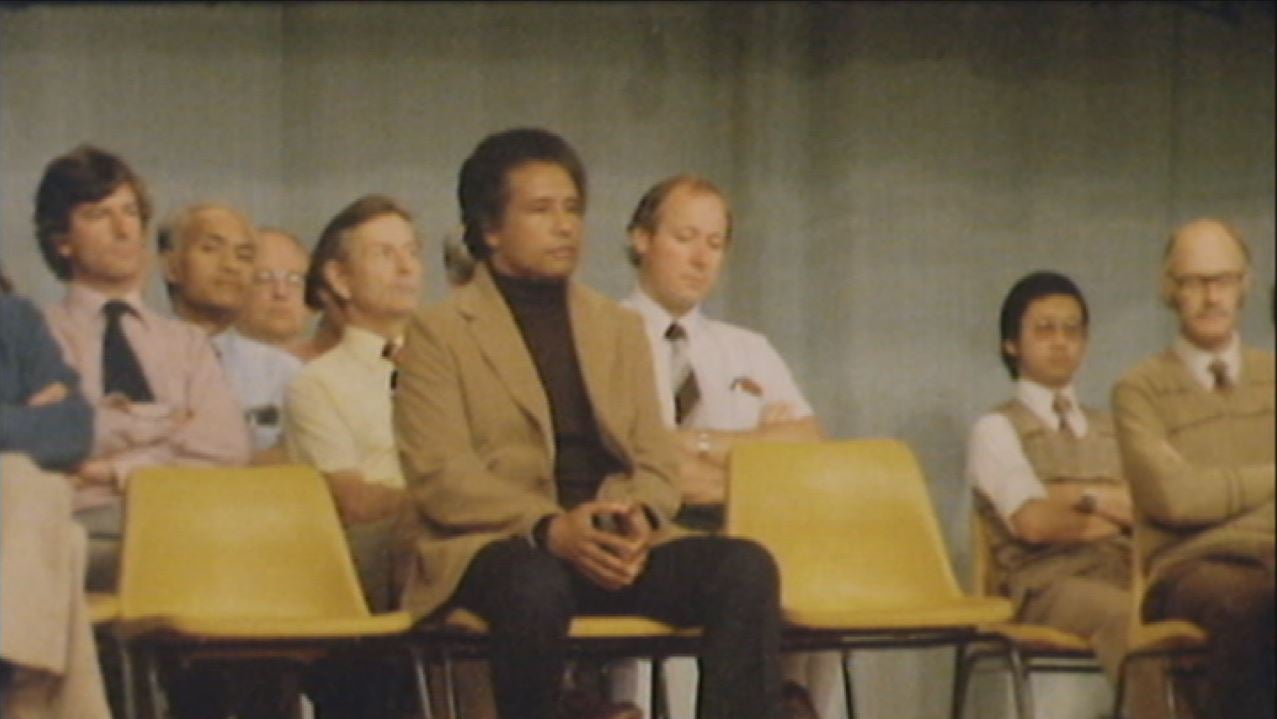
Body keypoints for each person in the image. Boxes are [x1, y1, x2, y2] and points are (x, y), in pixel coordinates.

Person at [393, 127, 782, 719]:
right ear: (490, 228)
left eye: (572, 209)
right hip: (503, 543)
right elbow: (441, 477)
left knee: (744, 568)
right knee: (534, 584)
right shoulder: (438, 332)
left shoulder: (616, 327)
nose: (565, 226)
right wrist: (550, 527)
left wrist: (636, 517)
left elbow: (655, 459)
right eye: (542, 210)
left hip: (612, 539)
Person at [619, 175, 827, 719]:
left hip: (745, 531)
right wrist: (756, 451)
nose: (701, 258)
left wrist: (700, 443)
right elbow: (640, 462)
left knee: (806, 565)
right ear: (641, 238)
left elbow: (807, 448)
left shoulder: (746, 348)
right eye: (685, 237)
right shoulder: (604, 335)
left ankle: (790, 702)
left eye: (715, 244)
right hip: (647, 538)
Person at [35, 145, 251, 592]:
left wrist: (114, 468)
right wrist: (169, 424)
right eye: (98, 215)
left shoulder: (187, 343)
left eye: (130, 212)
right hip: (81, 527)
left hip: (190, 520)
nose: (123, 230)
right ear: (62, 240)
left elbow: (226, 447)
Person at [967, 271, 1158, 718]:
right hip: (1045, 586)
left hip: (1124, 573)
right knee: (1128, 619)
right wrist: (1111, 502)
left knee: (1215, 608)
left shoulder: (1114, 427)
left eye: (1072, 330)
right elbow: (1033, 523)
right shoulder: (996, 428)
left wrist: (1074, 497)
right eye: (1045, 329)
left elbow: (1151, 509)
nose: (1061, 342)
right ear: (1011, 344)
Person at [1112, 218, 1274, 719]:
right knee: (1252, 606)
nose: (1211, 296)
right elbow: (1176, 499)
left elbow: (1198, 492)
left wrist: (1215, 491)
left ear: (1245, 285)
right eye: (1194, 282)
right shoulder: (1139, 389)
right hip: (1191, 569)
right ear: (1169, 289)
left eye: (1223, 279)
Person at [283, 194, 421, 612]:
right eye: (385, 254)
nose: (406, 267)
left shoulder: (450, 365)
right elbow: (352, 502)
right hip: (374, 548)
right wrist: (440, 502)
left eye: (412, 252)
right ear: (340, 279)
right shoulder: (317, 384)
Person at [1, 271, 108, 719]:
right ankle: (22, 692)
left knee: (26, 484)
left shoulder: (13, 319)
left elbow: (72, 430)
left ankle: (17, 677)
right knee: (58, 533)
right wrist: (20, 420)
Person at [159, 203, 302, 460]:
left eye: (244, 256)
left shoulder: (284, 372)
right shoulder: (132, 356)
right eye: (211, 249)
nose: (231, 266)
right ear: (171, 266)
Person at [236, 227, 316, 360]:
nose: (281, 292)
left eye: (294, 279)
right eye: (264, 278)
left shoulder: (336, 368)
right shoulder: (206, 363)